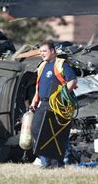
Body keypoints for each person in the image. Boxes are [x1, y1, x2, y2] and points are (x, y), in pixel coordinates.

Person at [30, 40, 77, 169]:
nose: (42, 54)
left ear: (52, 51)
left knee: (54, 133)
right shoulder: (42, 66)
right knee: (36, 129)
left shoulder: (61, 63)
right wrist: (35, 99)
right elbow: (39, 85)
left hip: (57, 104)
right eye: (40, 52)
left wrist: (62, 95)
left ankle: (56, 163)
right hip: (44, 103)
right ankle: (49, 160)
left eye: (44, 51)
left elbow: (72, 80)